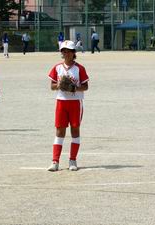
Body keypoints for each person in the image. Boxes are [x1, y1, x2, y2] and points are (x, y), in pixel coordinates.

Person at [47, 40, 89, 172]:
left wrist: (75, 88)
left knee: (75, 129)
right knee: (60, 130)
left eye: (69, 51)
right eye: (64, 51)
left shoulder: (79, 68)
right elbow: (52, 86)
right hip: (61, 101)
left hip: (75, 102)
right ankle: (55, 161)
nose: (66, 53)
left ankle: (72, 160)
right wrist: (59, 85)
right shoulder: (57, 68)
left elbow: (85, 86)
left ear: (73, 53)